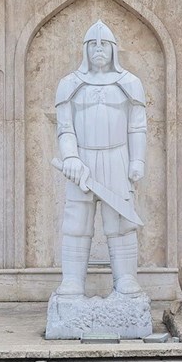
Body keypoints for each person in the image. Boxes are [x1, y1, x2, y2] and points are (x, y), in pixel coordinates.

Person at [53, 20, 147, 296]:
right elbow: (65, 128)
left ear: (113, 49)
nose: (98, 49)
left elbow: (137, 126)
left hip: (117, 157)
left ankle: (126, 279)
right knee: (77, 221)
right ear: (84, 50)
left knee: (121, 221)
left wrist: (137, 161)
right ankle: (72, 281)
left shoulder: (130, 83)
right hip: (82, 161)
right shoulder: (70, 84)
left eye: (103, 44)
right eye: (92, 44)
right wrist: (70, 157)